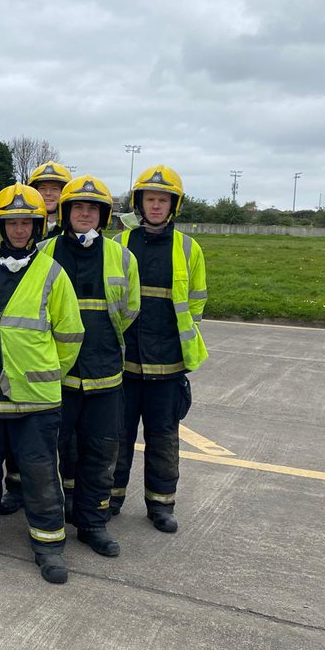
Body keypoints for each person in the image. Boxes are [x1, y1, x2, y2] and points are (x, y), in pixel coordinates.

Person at [0, 184, 84, 584]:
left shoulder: (52, 273)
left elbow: (70, 336)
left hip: (35, 398)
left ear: (38, 226)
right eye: (12, 223)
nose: (20, 230)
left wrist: (41, 374)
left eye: (27, 222)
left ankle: (48, 547)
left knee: (40, 473)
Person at [42, 175, 140, 557]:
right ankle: (58, 515)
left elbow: (129, 311)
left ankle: (93, 522)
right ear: (66, 213)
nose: (85, 214)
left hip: (104, 374)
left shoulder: (121, 257)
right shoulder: (46, 252)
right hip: (57, 374)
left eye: (93, 209)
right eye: (78, 208)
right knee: (56, 449)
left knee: (100, 452)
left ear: (103, 215)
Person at [111, 165, 208, 534]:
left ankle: (161, 505)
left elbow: (196, 305)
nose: (155, 206)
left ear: (173, 205)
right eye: (150, 199)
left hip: (168, 366)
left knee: (164, 440)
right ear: (139, 203)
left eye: (162, 200)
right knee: (116, 437)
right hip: (124, 364)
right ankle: (112, 499)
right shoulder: (120, 245)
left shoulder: (189, 248)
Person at [0, 160, 73, 514]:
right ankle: (13, 493)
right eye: (44, 188)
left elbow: (70, 331)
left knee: (48, 460)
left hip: (42, 378)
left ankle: (57, 524)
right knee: (4, 456)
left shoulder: (53, 259)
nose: (19, 229)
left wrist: (48, 368)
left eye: (56, 189)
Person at [29, 161, 72, 241]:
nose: (48, 193)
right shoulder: (25, 226)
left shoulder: (73, 228)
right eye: (42, 188)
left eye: (54, 189)